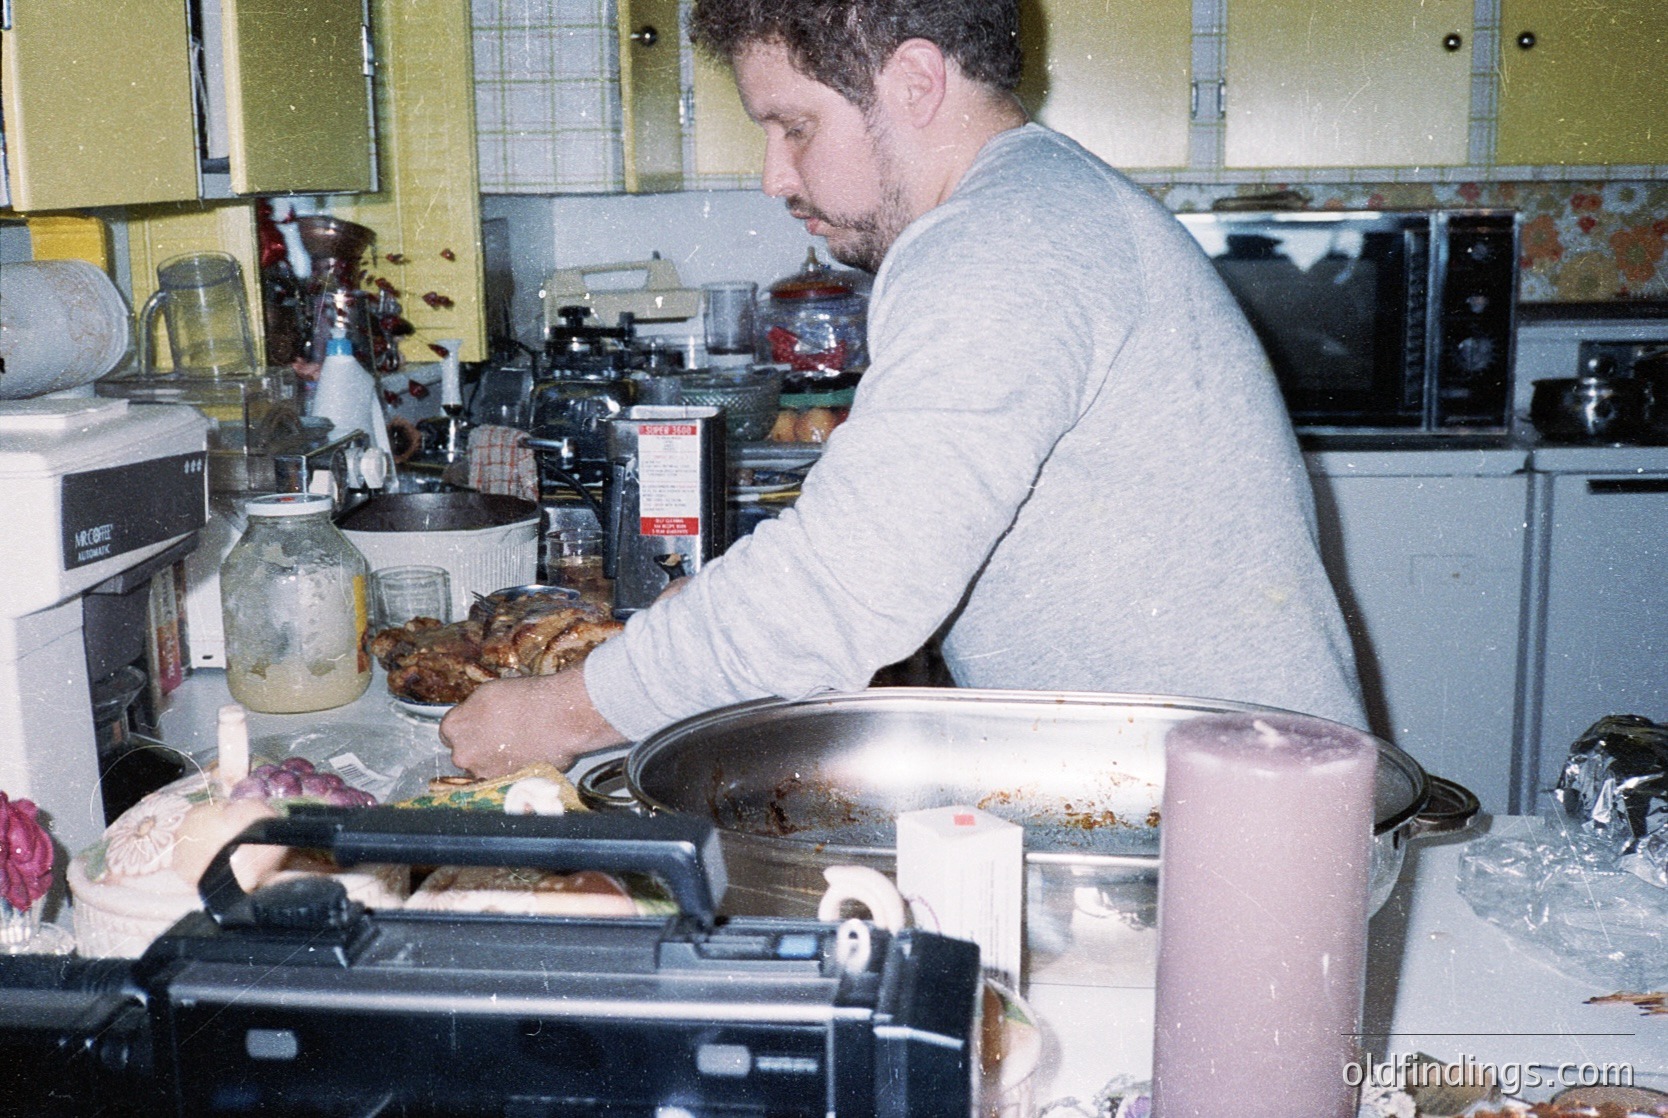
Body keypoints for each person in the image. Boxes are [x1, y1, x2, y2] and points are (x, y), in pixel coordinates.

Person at [440, 0, 1366, 778]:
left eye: (794, 126)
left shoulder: (998, 242)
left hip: (1232, 815)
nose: (774, 175)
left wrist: (557, 715)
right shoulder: (1036, 202)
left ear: (916, 82)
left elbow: (845, 591)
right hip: (1224, 777)